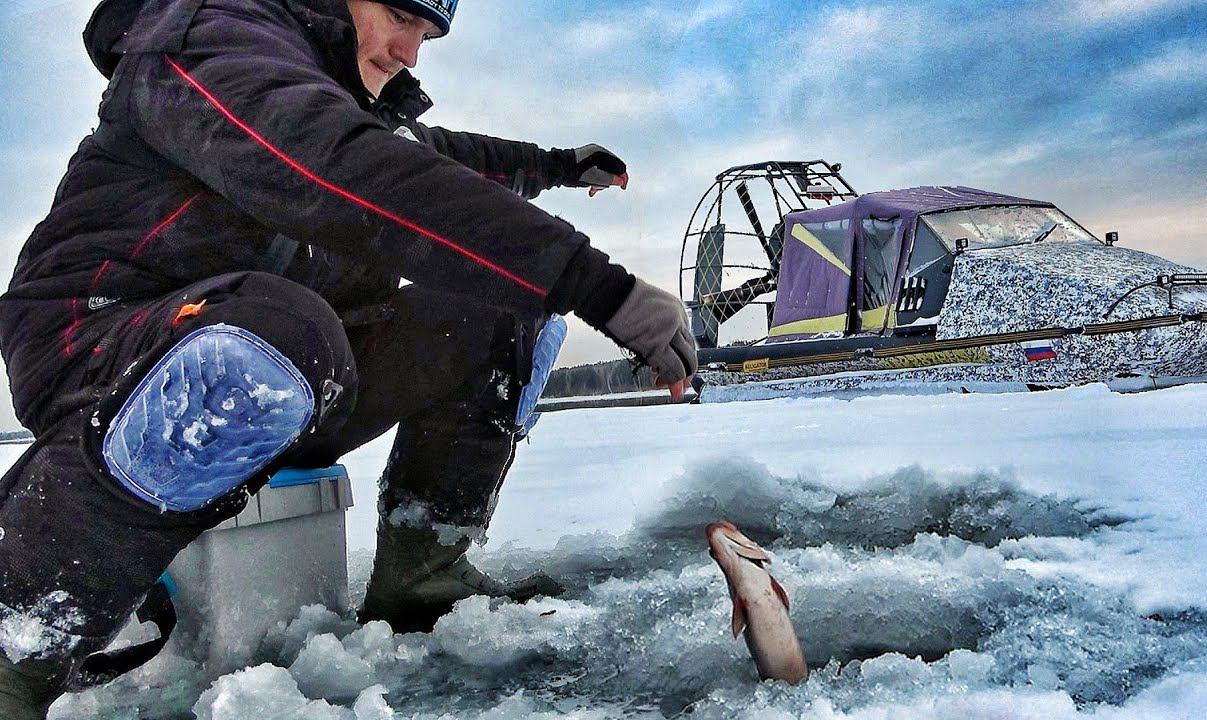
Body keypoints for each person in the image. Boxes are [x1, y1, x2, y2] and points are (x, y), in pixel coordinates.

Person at [0, 0, 696, 715]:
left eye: (427, 35)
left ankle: (426, 565)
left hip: (295, 372)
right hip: (97, 342)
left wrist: (558, 166)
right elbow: (346, 166)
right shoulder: (208, 37)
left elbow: (446, 161)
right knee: (276, 334)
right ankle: (16, 645)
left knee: (503, 306)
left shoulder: (346, 105)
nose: (409, 52)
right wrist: (598, 285)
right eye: (399, 15)